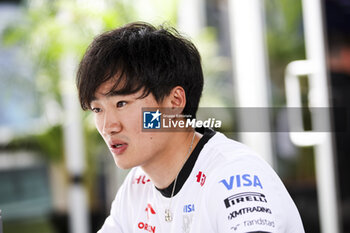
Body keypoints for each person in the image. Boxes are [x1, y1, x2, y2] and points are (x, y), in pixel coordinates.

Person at [76, 22, 305, 233]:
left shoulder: (234, 175)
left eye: (122, 103)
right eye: (97, 109)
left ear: (175, 102)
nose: (108, 126)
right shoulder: (137, 186)